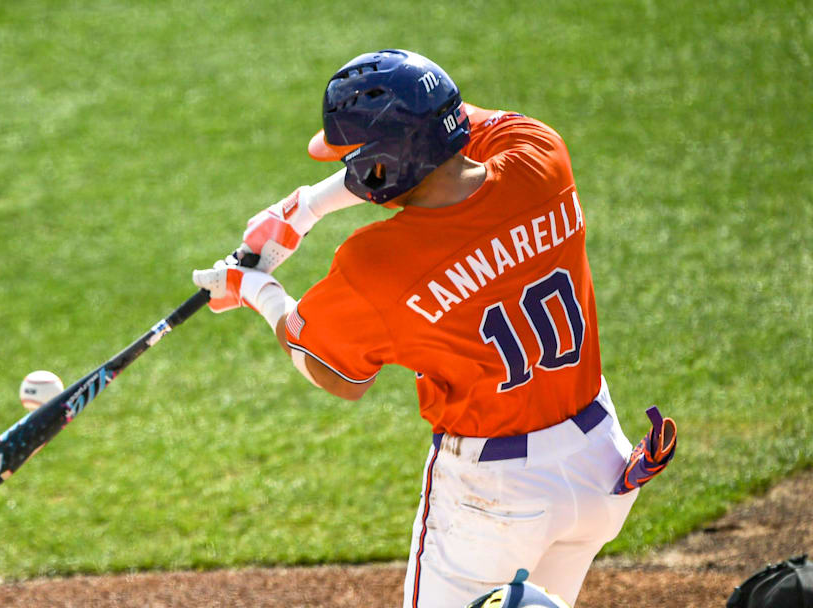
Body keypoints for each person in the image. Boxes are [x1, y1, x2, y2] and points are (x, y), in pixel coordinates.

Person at [192, 49, 664, 607]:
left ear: (378, 168)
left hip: (496, 508)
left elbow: (337, 372)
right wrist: (305, 207)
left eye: (349, 162)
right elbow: (452, 132)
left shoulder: (381, 263)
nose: (343, 171)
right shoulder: (541, 156)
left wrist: (255, 291)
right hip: (601, 467)